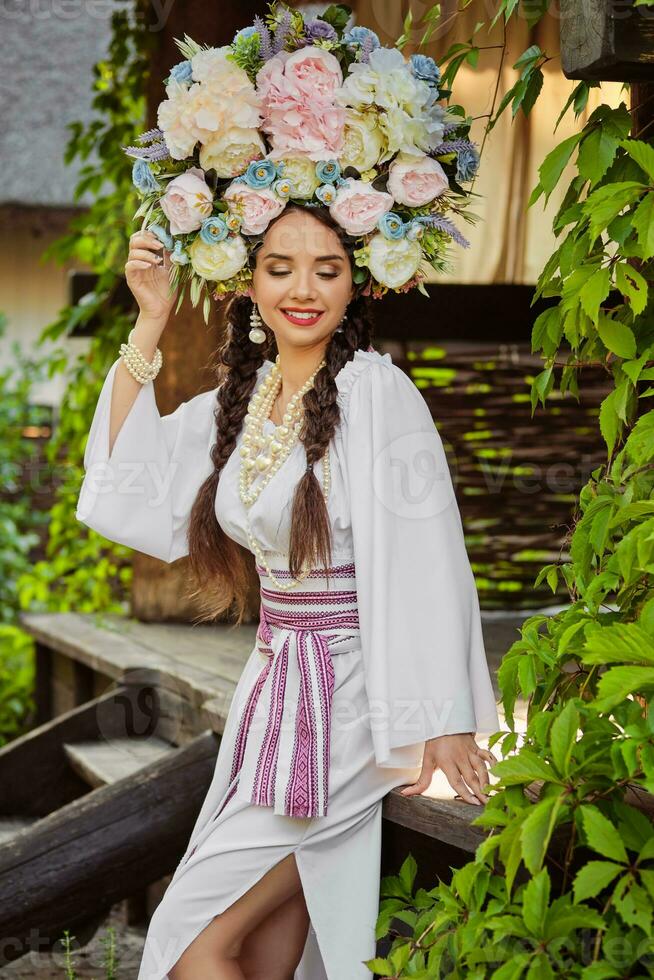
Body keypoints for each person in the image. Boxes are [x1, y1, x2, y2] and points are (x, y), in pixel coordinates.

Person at [76, 203, 501, 979]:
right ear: (247, 282)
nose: (302, 289)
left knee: (189, 946)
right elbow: (126, 490)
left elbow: (429, 553)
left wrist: (444, 717)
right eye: (280, 268)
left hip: (352, 707)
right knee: (269, 954)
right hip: (273, 694)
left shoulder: (378, 393)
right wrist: (150, 323)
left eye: (327, 270)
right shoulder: (240, 403)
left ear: (357, 287)